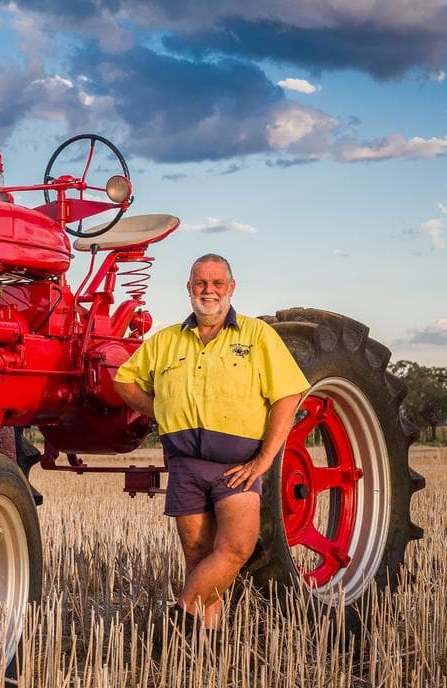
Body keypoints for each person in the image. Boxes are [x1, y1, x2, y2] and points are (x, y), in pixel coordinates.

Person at [113, 253, 309, 629]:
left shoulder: (256, 336)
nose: (209, 290)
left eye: (217, 283)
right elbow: (123, 379)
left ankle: (179, 616)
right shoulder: (165, 341)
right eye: (201, 283)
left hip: (236, 467)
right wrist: (162, 411)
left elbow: (288, 394)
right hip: (185, 463)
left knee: (236, 548)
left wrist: (264, 459)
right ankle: (204, 641)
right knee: (197, 553)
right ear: (189, 289)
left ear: (231, 288)